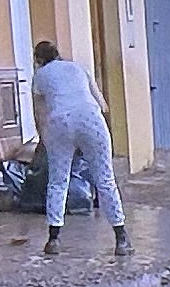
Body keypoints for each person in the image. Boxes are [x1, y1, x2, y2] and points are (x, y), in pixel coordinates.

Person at [28, 39, 128, 259]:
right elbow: (102, 105)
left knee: (57, 181)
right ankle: (121, 238)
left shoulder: (40, 76)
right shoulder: (78, 67)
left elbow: (39, 114)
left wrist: (45, 137)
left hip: (59, 123)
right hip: (90, 120)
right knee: (105, 180)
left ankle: (53, 239)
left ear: (38, 59)